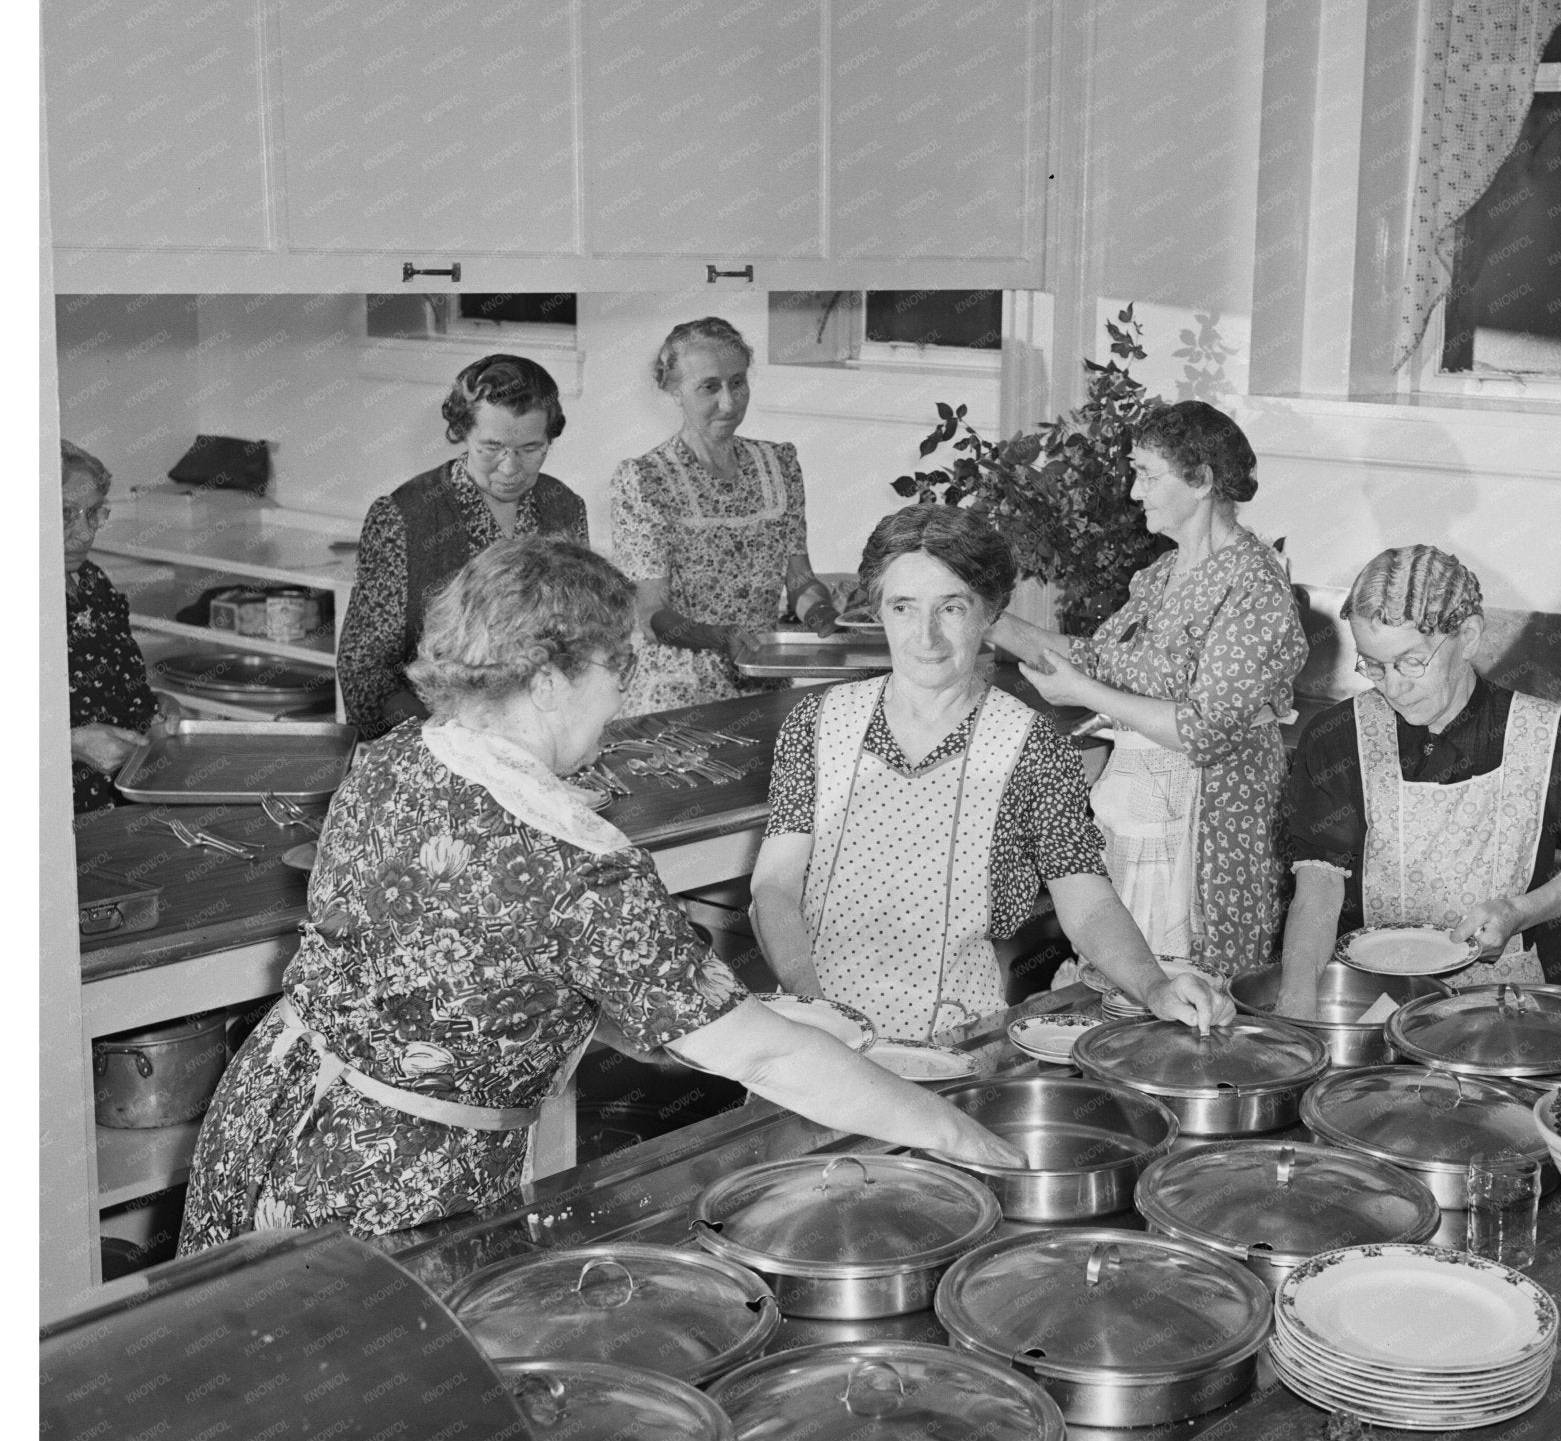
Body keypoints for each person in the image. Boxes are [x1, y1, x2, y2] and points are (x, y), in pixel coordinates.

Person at [178, 537, 1020, 1254]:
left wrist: (766, 1014)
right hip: (394, 1182)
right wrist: (957, 1134)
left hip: (271, 1110)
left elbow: (520, 981)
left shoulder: (405, 751)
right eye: (618, 668)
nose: (622, 698)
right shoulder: (576, 863)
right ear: (550, 680)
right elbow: (759, 1058)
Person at [750, 504, 1234, 1043]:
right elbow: (773, 888)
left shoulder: (1030, 746)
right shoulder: (816, 724)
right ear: (877, 611)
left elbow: (1086, 899)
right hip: (811, 1031)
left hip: (951, 1039)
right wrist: (816, 1011)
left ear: (989, 614)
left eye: (951, 608)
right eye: (904, 607)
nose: (926, 637)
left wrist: (1153, 986)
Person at [987, 402, 1307, 979]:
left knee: (1196, 991)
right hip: (1144, 807)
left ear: (1202, 480)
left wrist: (1084, 691)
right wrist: (984, 614)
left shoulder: (1254, 584)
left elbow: (1205, 731)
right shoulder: (1162, 574)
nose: (1135, 493)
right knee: (1125, 980)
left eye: (1147, 475)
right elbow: (1095, 660)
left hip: (1212, 824)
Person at [1274, 545, 1561, 1017]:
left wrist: (1520, 913)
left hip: (1499, 1005)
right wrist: (1296, 1004)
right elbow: (1319, 882)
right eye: (1374, 666)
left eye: (1410, 662)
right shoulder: (1338, 737)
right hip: (1372, 1001)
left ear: (1468, 636)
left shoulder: (1552, 735)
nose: (1392, 687)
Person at [337, 354, 587, 741]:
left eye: (530, 448)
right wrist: (445, 739)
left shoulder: (565, 508)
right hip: (436, 740)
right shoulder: (404, 517)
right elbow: (365, 671)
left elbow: (578, 639)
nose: (509, 468)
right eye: (492, 448)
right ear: (463, 432)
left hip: (538, 737)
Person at [609, 317, 837, 715]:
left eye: (738, 382)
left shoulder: (778, 465)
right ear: (673, 390)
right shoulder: (645, 479)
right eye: (709, 387)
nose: (729, 403)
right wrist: (719, 636)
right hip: (678, 693)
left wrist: (829, 619)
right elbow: (650, 615)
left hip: (765, 680)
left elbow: (799, 579)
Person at [62, 440, 175, 814]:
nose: (84, 534)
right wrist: (72, 744)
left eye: (93, 513)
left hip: (124, 793)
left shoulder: (92, 580)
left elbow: (111, 676)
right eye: (64, 514)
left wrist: (153, 704)